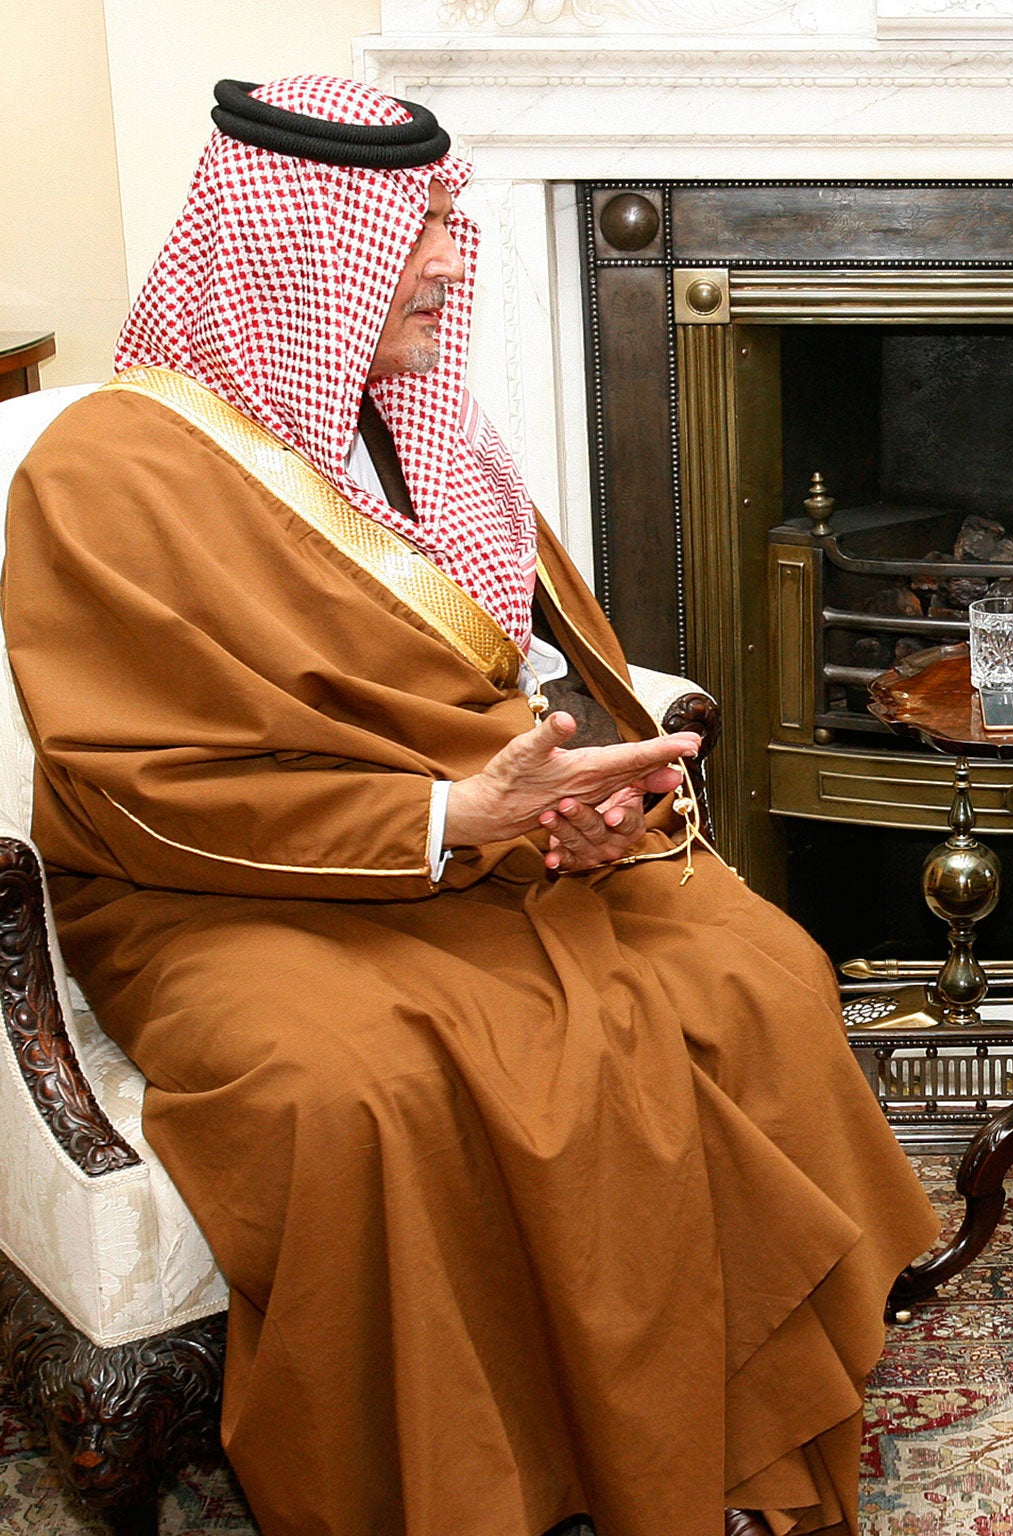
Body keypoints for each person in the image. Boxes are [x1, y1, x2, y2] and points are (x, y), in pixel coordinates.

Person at [2, 75, 938, 1536]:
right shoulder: (106, 469)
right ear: (294, 247)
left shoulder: (420, 428)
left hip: (492, 849)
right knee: (359, 1094)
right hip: (219, 892)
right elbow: (138, 788)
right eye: (417, 226)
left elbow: (540, 670)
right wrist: (447, 818)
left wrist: (585, 786)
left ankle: (714, 1423)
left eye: (450, 219)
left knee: (754, 968)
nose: (451, 258)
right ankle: (477, 1482)